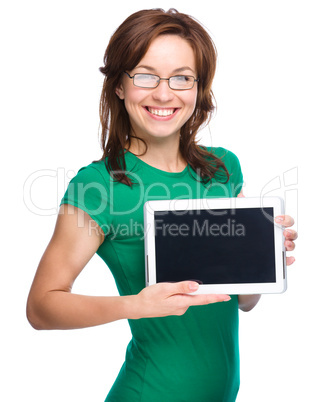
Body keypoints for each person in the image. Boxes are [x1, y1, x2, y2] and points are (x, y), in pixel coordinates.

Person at [26, 8, 297, 402]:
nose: (164, 93)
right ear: (119, 85)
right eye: (145, 75)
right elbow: (41, 307)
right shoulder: (98, 186)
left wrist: (260, 258)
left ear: (198, 88)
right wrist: (136, 305)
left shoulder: (223, 168)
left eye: (182, 78)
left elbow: (243, 302)